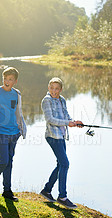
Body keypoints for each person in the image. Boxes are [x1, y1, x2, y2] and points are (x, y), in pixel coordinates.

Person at [0, 67, 27, 201]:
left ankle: (7, 190)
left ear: (15, 81)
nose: (7, 81)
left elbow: (18, 113)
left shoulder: (16, 94)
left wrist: (21, 129)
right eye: (5, 78)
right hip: (1, 133)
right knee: (3, 161)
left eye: (10, 79)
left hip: (14, 133)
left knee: (10, 162)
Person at [40, 77, 83, 209]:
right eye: (52, 88)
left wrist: (74, 122)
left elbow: (66, 116)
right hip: (52, 136)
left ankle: (47, 190)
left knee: (60, 164)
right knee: (65, 163)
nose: (54, 91)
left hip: (62, 135)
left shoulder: (62, 99)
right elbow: (50, 119)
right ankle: (62, 197)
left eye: (57, 88)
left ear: (61, 89)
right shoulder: (46, 100)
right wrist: (67, 123)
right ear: (48, 88)